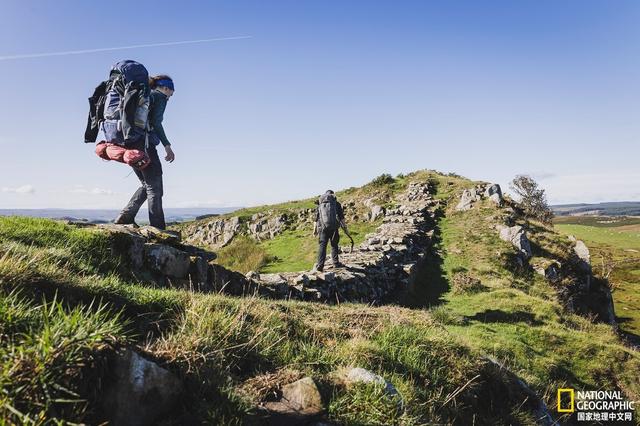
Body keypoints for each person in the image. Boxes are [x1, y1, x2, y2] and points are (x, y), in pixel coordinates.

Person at [115, 75, 175, 229]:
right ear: (166, 88)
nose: (170, 97)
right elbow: (156, 122)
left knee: (146, 184)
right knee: (155, 187)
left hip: (129, 144)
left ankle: (126, 216)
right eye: (171, 93)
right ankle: (158, 228)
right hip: (145, 145)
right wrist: (167, 145)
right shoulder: (159, 97)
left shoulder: (144, 96)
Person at [313, 190, 347, 272]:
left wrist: (314, 230)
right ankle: (335, 263)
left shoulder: (320, 204)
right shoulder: (336, 203)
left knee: (322, 246)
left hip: (322, 228)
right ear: (332, 194)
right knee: (334, 245)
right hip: (334, 227)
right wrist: (345, 228)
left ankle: (320, 265)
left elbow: (316, 219)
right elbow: (341, 217)